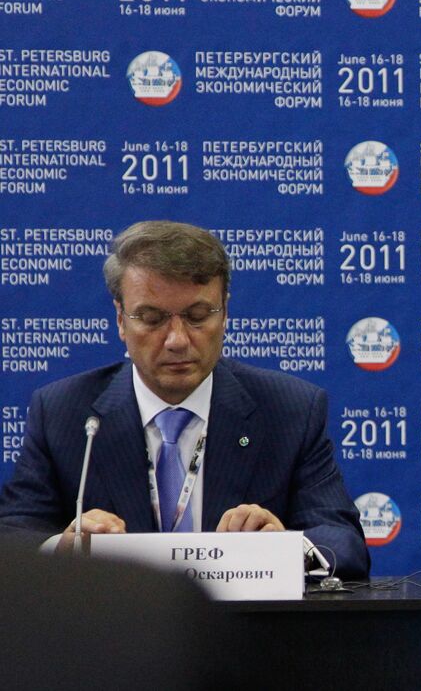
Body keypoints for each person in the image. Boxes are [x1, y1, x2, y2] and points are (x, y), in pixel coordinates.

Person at [0, 221, 369, 577]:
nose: (177, 339)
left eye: (197, 316)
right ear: (120, 319)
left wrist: (284, 547)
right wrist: (61, 549)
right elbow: (14, 536)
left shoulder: (290, 410)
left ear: (224, 313)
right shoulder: (65, 411)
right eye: (151, 318)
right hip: (111, 634)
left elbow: (343, 541)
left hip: (242, 635)